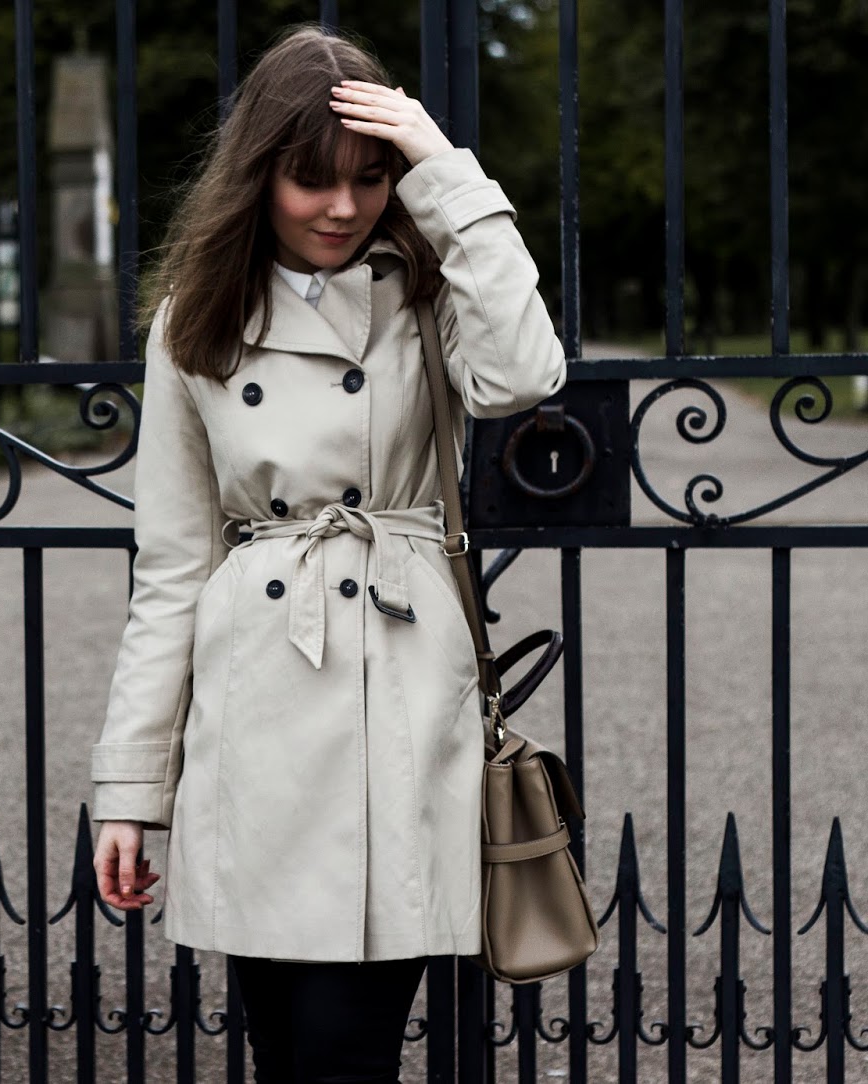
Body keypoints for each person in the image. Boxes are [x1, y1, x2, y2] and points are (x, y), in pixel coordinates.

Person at [87, 24, 568, 1083]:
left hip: (396, 697)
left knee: (346, 1053)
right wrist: (129, 789)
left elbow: (526, 375)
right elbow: (170, 569)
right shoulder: (194, 322)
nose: (342, 207)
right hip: (256, 706)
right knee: (285, 1054)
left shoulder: (428, 291)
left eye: (368, 178)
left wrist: (443, 170)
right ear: (260, 177)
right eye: (312, 180)